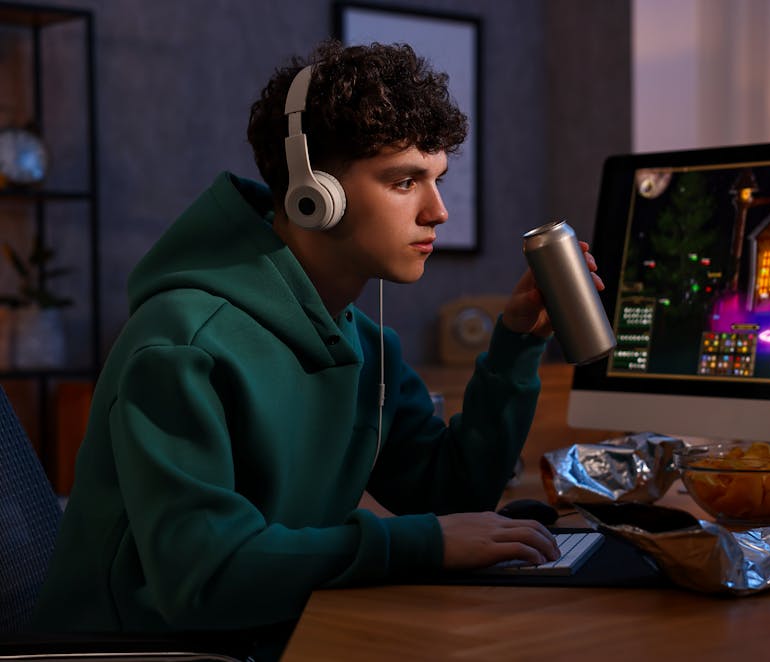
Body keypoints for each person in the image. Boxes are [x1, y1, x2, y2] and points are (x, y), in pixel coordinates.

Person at [33, 39, 603, 657]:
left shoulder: (358, 339)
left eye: (437, 180)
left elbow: (449, 500)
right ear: (315, 195)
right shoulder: (181, 345)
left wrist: (517, 344)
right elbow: (204, 574)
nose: (437, 211)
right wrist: (419, 545)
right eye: (404, 181)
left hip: (275, 634)